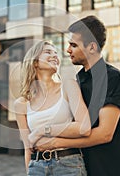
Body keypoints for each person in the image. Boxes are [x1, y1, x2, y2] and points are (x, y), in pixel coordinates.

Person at [33, 16, 120, 176]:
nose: (68, 50)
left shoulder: (113, 78)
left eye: (73, 45)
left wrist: (55, 142)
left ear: (92, 47)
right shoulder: (79, 79)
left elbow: (105, 134)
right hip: (78, 169)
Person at [14, 40, 92, 176]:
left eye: (56, 53)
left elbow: (84, 127)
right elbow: (28, 148)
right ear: (35, 62)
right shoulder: (21, 104)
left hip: (68, 164)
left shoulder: (68, 86)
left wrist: (41, 131)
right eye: (48, 52)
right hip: (36, 167)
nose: (55, 55)